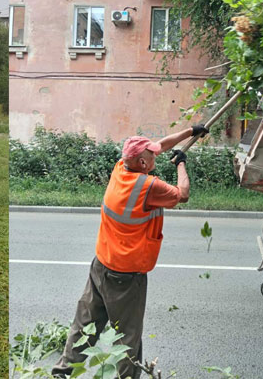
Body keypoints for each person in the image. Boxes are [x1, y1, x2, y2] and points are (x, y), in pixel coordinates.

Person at [51, 125, 209, 379]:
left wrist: (191, 131)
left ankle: (62, 372)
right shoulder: (148, 187)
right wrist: (181, 164)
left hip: (101, 265)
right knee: (128, 338)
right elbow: (183, 194)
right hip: (125, 276)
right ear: (143, 162)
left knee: (85, 325)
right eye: (152, 155)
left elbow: (161, 145)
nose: (157, 155)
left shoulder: (121, 168)